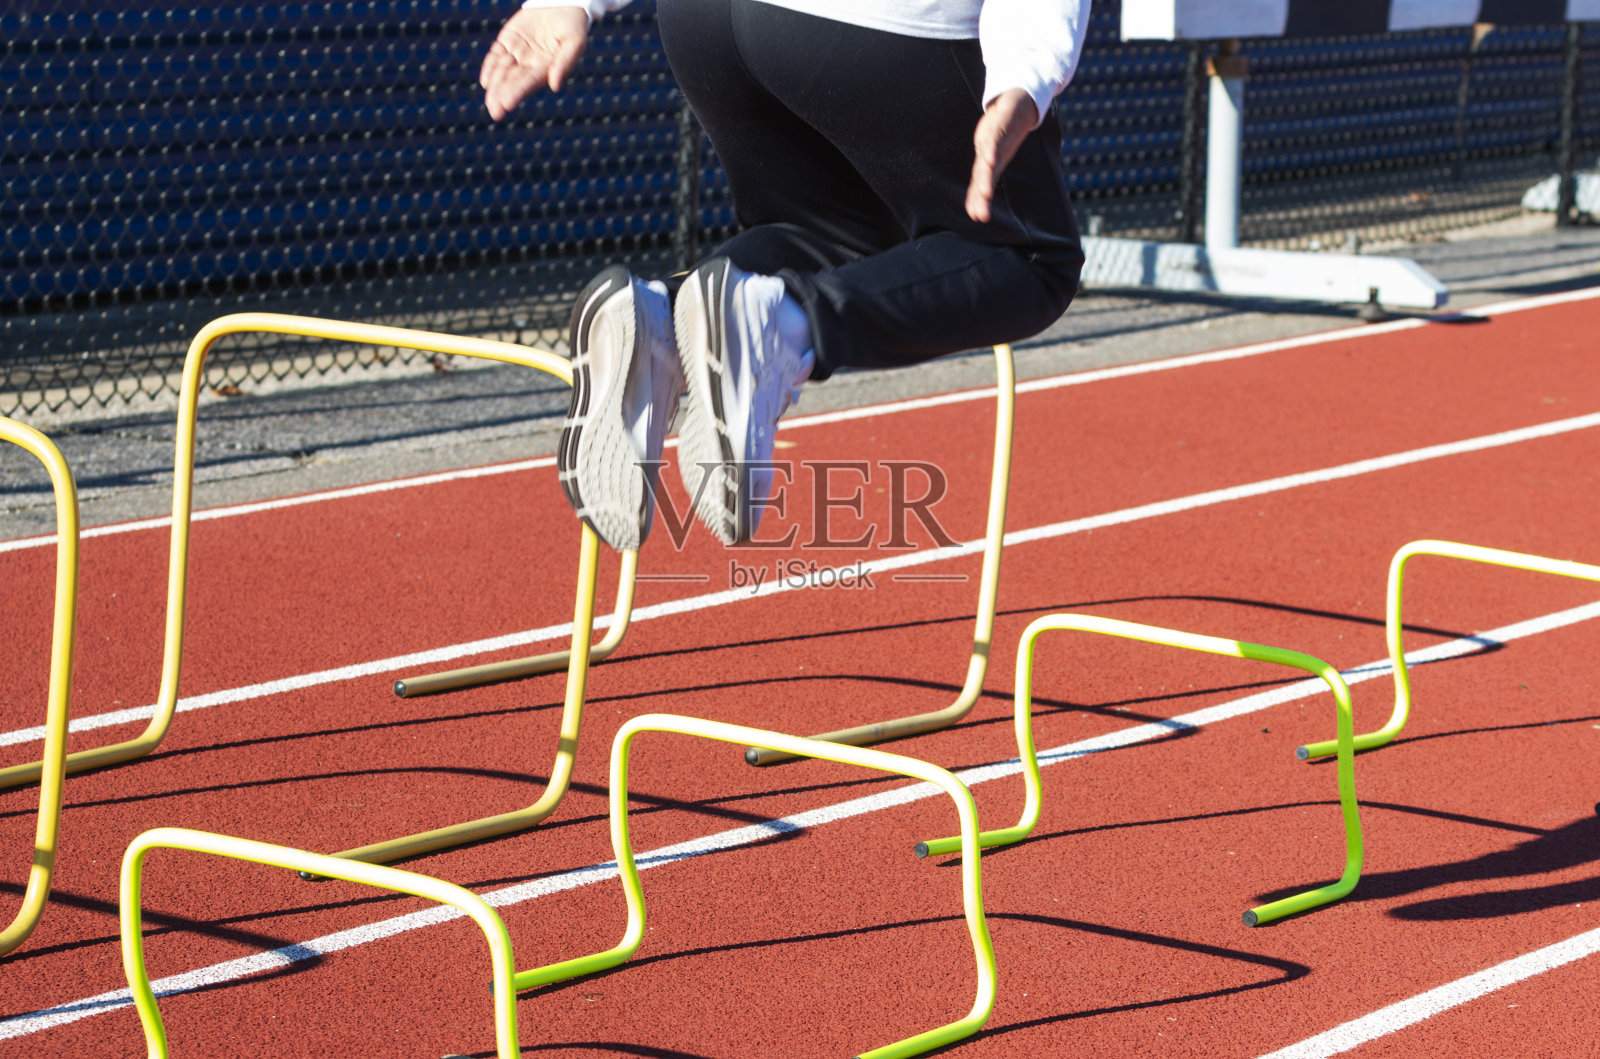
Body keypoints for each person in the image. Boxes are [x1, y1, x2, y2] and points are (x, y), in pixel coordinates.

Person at [480, 0, 1090, 550]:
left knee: (831, 238)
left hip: (707, 27)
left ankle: (655, 321)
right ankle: (784, 324)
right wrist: (1024, 76)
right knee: (1031, 259)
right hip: (876, 29)